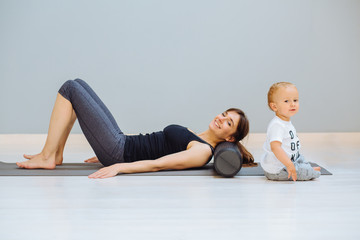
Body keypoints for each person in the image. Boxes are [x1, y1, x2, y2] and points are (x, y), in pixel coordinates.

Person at [17, 79, 254, 179]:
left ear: (231, 137)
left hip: (119, 151)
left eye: (228, 123)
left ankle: (48, 156)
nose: (221, 119)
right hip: (120, 143)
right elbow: (153, 142)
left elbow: (158, 164)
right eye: (224, 114)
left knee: (70, 88)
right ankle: (56, 153)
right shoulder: (198, 135)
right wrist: (103, 146)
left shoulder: (202, 150)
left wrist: (118, 166)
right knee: (77, 84)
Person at [260, 82, 321, 181]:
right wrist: (289, 164)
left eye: (295, 100)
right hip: (278, 169)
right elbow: (275, 148)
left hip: (292, 159)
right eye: (286, 101)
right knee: (302, 172)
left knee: (302, 159)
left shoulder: (285, 121)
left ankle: (306, 168)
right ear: (274, 107)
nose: (292, 104)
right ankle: (310, 172)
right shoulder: (277, 125)